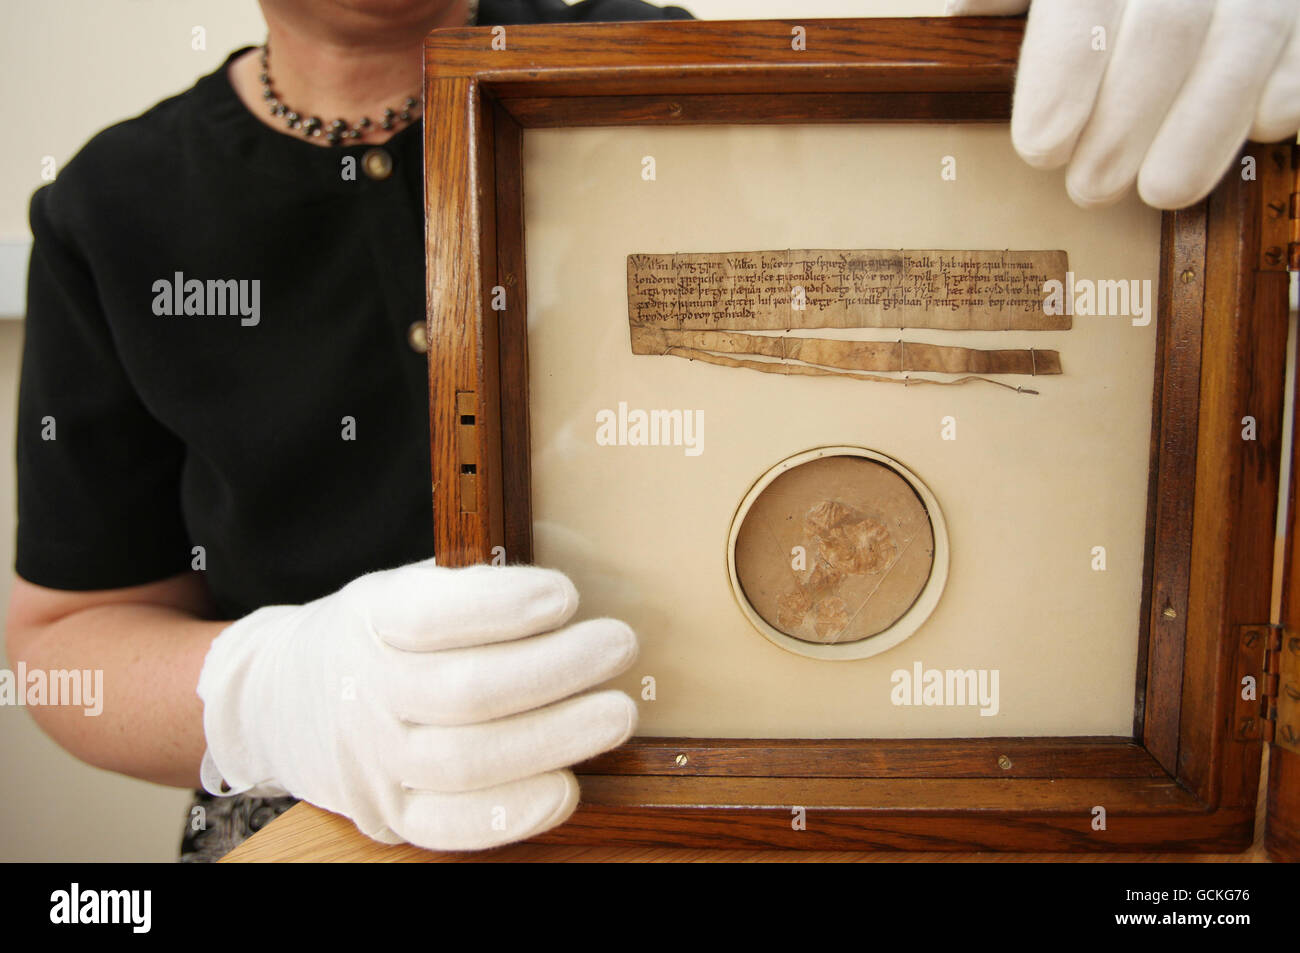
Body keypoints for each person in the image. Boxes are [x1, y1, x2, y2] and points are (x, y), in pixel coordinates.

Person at [7, 0, 1298, 862]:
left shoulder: (669, 70)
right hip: (318, 803)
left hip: (732, 774)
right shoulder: (106, 210)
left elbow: (972, 279)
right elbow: (58, 641)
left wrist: (1088, 61)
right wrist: (276, 694)